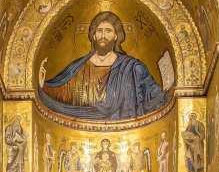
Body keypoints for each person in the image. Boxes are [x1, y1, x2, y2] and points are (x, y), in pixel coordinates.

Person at [38, 11, 172, 120]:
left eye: (108, 31)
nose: (103, 35)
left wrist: (169, 88)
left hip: (126, 133)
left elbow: (155, 96)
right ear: (93, 36)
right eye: (99, 31)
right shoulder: (78, 67)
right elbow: (61, 93)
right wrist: (43, 84)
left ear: (115, 36)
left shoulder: (133, 68)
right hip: (83, 130)